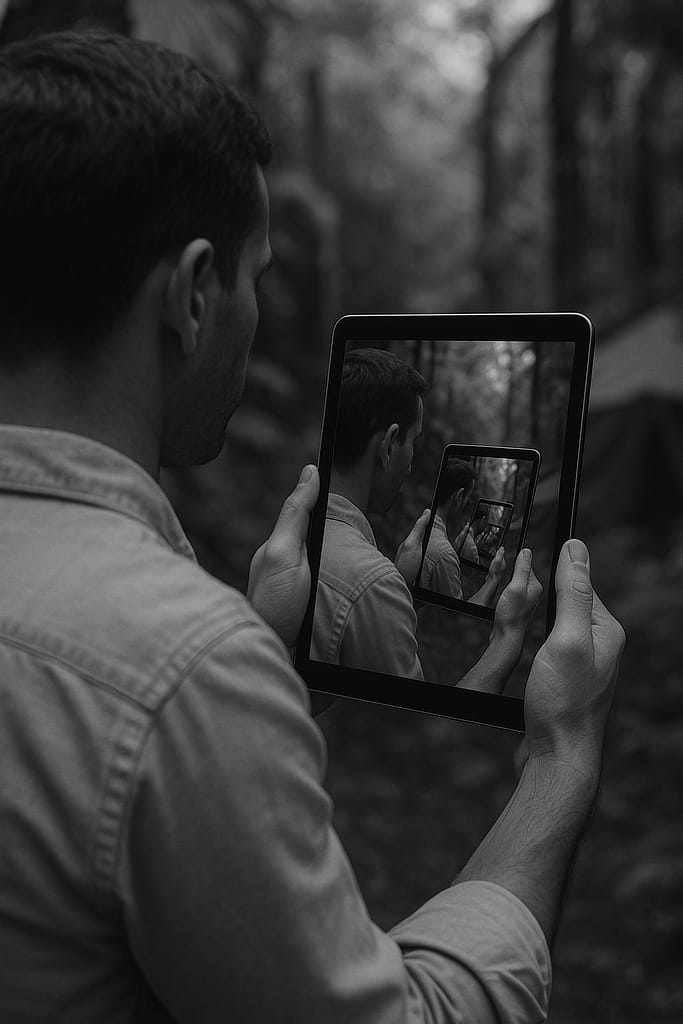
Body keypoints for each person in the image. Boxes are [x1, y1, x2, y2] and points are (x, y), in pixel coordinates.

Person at [0, 31, 625, 1024]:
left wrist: (266, 673)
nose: (259, 307)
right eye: (259, 275)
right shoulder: (178, 669)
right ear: (195, 293)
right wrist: (559, 757)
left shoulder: (179, 663)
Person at [312, 348, 534, 688]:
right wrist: (508, 634)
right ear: (387, 446)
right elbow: (416, 715)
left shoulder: (297, 533)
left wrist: (402, 591)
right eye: (413, 442)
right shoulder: (373, 582)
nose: (412, 461)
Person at [421, 458, 506, 604]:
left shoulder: (421, 530)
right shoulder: (445, 555)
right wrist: (493, 579)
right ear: (459, 496)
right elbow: (455, 615)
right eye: (468, 496)